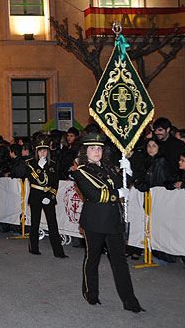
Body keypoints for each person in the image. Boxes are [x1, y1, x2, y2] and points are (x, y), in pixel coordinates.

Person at [70, 133, 144, 313]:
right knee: (93, 257)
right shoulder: (81, 171)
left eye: (100, 148)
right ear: (85, 152)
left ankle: (130, 301)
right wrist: (117, 194)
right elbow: (94, 195)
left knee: (119, 261)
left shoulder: (110, 169)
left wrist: (129, 170)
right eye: (93, 148)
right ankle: (91, 293)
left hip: (113, 220)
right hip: (94, 221)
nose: (97, 151)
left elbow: (124, 184)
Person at [24, 138, 68, 258]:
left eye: (45, 151)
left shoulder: (52, 164)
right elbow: (34, 180)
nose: (42, 154)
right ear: (36, 152)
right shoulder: (30, 163)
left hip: (48, 196)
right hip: (36, 195)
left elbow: (55, 182)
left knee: (53, 224)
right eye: (40, 151)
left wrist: (50, 196)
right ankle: (34, 248)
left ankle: (59, 252)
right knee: (35, 222)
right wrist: (39, 168)